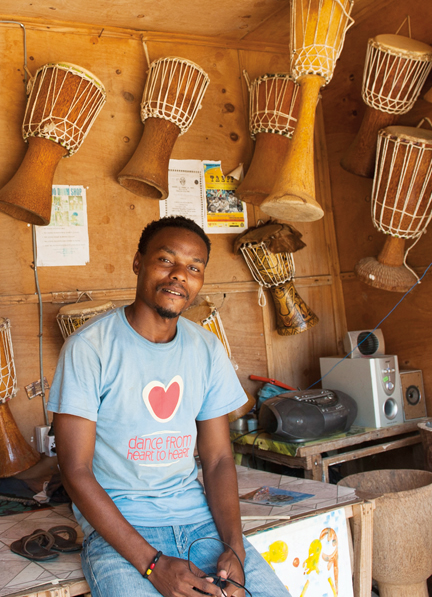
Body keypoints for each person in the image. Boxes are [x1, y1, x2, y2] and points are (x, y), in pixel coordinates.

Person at [47, 216, 290, 597]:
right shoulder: (89, 348)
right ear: (138, 262)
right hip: (122, 534)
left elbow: (218, 460)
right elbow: (74, 470)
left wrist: (234, 547)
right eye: (166, 260)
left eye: (194, 268)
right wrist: (152, 564)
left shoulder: (206, 349)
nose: (180, 275)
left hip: (200, 525)